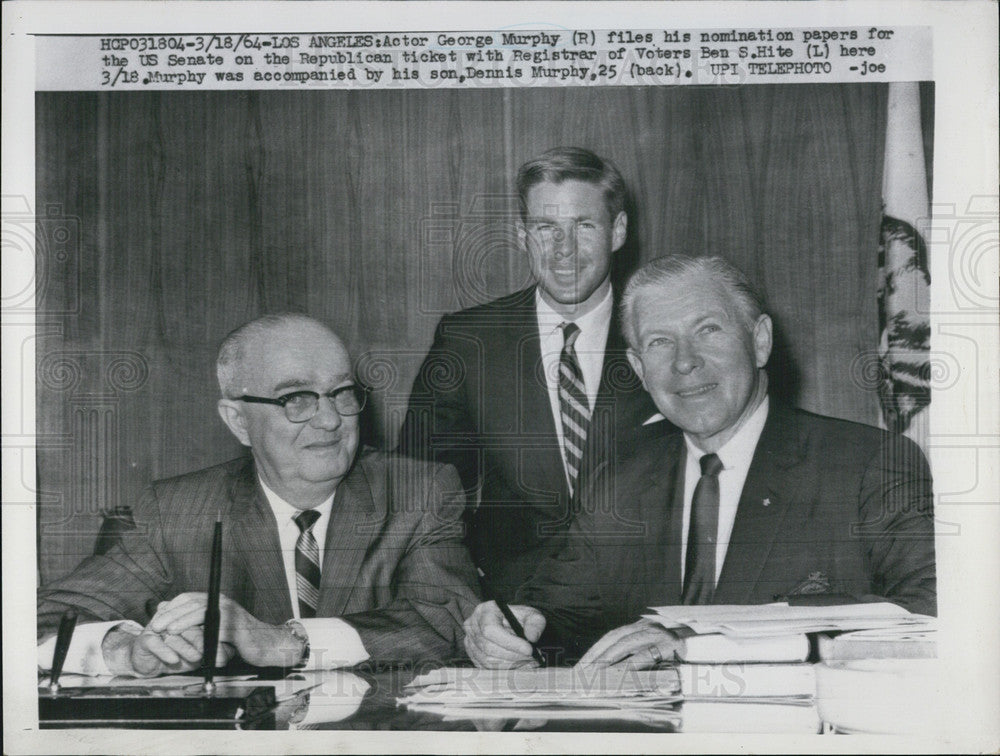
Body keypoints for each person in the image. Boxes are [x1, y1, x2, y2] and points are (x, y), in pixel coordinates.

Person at [463, 254, 936, 669]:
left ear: (761, 341)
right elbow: (556, 612)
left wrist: (705, 644)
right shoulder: (620, 483)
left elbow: (930, 612)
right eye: (659, 342)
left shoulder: (867, 464)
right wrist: (512, 626)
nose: (685, 362)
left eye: (708, 329)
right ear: (638, 369)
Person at [37, 314, 479, 676]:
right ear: (238, 421)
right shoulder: (177, 511)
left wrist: (284, 642)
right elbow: (41, 621)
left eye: (342, 393)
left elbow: (447, 619)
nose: (329, 419)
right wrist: (124, 651)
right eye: (296, 399)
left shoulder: (418, 491)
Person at [397, 147, 664, 598]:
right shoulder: (467, 342)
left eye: (583, 225)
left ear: (617, 232)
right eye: (546, 228)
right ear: (523, 236)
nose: (564, 250)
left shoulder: (663, 334)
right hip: (509, 610)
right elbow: (420, 491)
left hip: (646, 604)